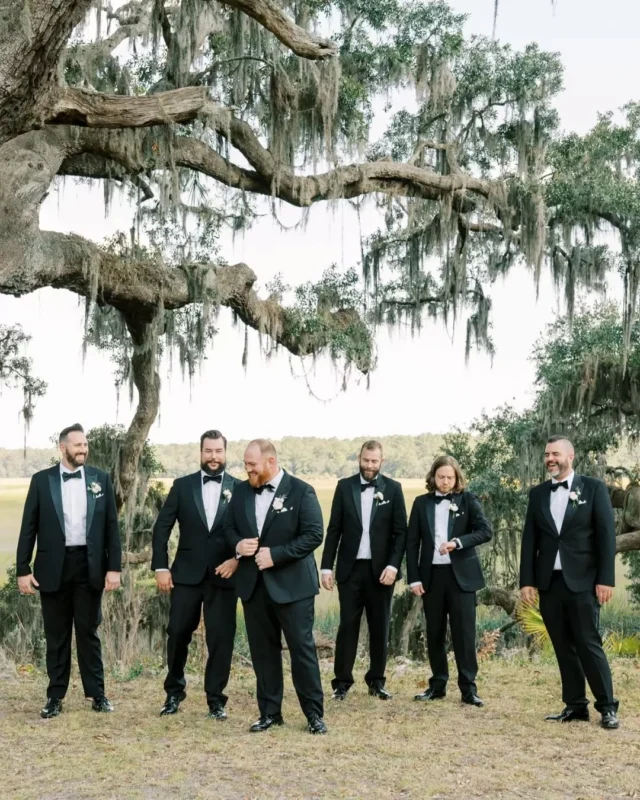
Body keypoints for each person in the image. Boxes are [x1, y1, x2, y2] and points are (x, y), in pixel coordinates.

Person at [16, 423, 121, 718]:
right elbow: (29, 527)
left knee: (88, 633)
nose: (83, 450)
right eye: (78, 446)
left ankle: (97, 694)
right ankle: (55, 697)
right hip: (53, 568)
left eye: (85, 445)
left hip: (90, 567)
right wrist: (22, 568)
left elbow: (112, 527)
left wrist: (114, 567)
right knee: (57, 635)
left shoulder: (101, 479)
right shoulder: (41, 481)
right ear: (63, 447)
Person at [224, 439, 326, 734]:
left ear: (270, 462)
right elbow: (229, 527)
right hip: (254, 587)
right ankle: (270, 712)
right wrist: (238, 544)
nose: (248, 470)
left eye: (252, 464)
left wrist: (276, 555)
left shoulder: (301, 490)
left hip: (293, 587)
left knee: (301, 650)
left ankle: (313, 715)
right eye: (245, 464)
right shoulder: (241, 491)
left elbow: (313, 534)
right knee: (262, 651)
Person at [520, 435, 619, 729]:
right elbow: (529, 541)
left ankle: (608, 707)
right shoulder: (537, 494)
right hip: (549, 582)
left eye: (555, 454)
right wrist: (527, 581)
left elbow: (606, 537)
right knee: (562, 646)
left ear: (570, 456)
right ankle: (575, 705)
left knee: (588, 643)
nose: (550, 459)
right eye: (547, 454)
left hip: (584, 582)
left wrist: (605, 579)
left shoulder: (593, 488)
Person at [152, 430, 240, 719]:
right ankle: (173, 693)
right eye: (208, 451)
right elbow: (162, 528)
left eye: (218, 451)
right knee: (177, 633)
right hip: (185, 576)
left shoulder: (240, 489)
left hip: (224, 576)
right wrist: (161, 567)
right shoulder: (182, 486)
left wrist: (236, 560)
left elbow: (252, 532)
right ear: (200, 452)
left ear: (225, 453)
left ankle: (216, 699)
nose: (213, 457)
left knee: (221, 639)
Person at [320, 439, 407, 700]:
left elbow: (401, 532)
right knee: (348, 626)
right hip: (350, 570)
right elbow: (334, 529)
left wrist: (393, 565)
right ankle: (342, 683)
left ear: (382, 461)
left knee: (380, 626)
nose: (369, 465)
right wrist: (326, 566)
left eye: (374, 461)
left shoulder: (393, 489)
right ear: (359, 458)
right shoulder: (344, 487)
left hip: (382, 572)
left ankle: (377, 682)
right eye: (366, 460)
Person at [407, 455, 492, 706]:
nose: (445, 482)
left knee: (464, 634)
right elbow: (412, 544)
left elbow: (485, 531)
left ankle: (468, 689)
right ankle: (437, 685)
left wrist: (458, 542)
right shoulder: (421, 503)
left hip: (462, 578)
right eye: (441, 477)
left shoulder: (468, 500)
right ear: (433, 477)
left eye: (450, 477)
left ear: (456, 479)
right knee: (434, 632)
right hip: (431, 576)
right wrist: (414, 578)